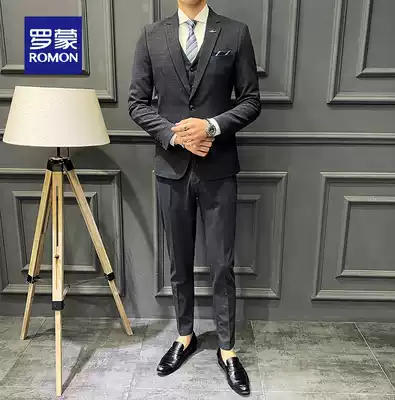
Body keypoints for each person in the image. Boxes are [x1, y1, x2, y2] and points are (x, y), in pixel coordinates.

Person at [128, 0, 261, 395]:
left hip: (219, 170)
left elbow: (251, 100)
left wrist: (212, 127)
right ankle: (184, 336)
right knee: (179, 261)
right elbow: (136, 103)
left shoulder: (235, 32)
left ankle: (227, 349)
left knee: (222, 264)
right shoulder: (151, 35)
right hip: (171, 169)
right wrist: (175, 136)